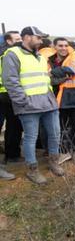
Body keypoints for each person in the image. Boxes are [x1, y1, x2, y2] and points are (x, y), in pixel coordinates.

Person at [3, 27, 63, 184]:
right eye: (38, 37)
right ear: (27, 37)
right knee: (30, 138)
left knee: (55, 134)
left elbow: (45, 79)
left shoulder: (41, 57)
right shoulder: (13, 55)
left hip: (48, 104)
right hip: (29, 106)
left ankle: (53, 162)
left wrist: (52, 99)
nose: (41, 40)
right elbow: (10, 81)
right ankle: (33, 170)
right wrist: (23, 102)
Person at [48, 37, 75, 167]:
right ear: (55, 46)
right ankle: (64, 152)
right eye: (60, 46)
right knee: (60, 127)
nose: (63, 48)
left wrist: (54, 72)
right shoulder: (50, 60)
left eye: (65, 45)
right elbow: (50, 80)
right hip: (56, 97)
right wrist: (63, 77)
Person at [0, 31, 23, 171]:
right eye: (17, 39)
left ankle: (11, 155)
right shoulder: (10, 55)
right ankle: (12, 156)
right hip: (6, 94)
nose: (20, 41)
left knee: (13, 126)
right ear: (8, 41)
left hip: (7, 94)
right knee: (14, 126)